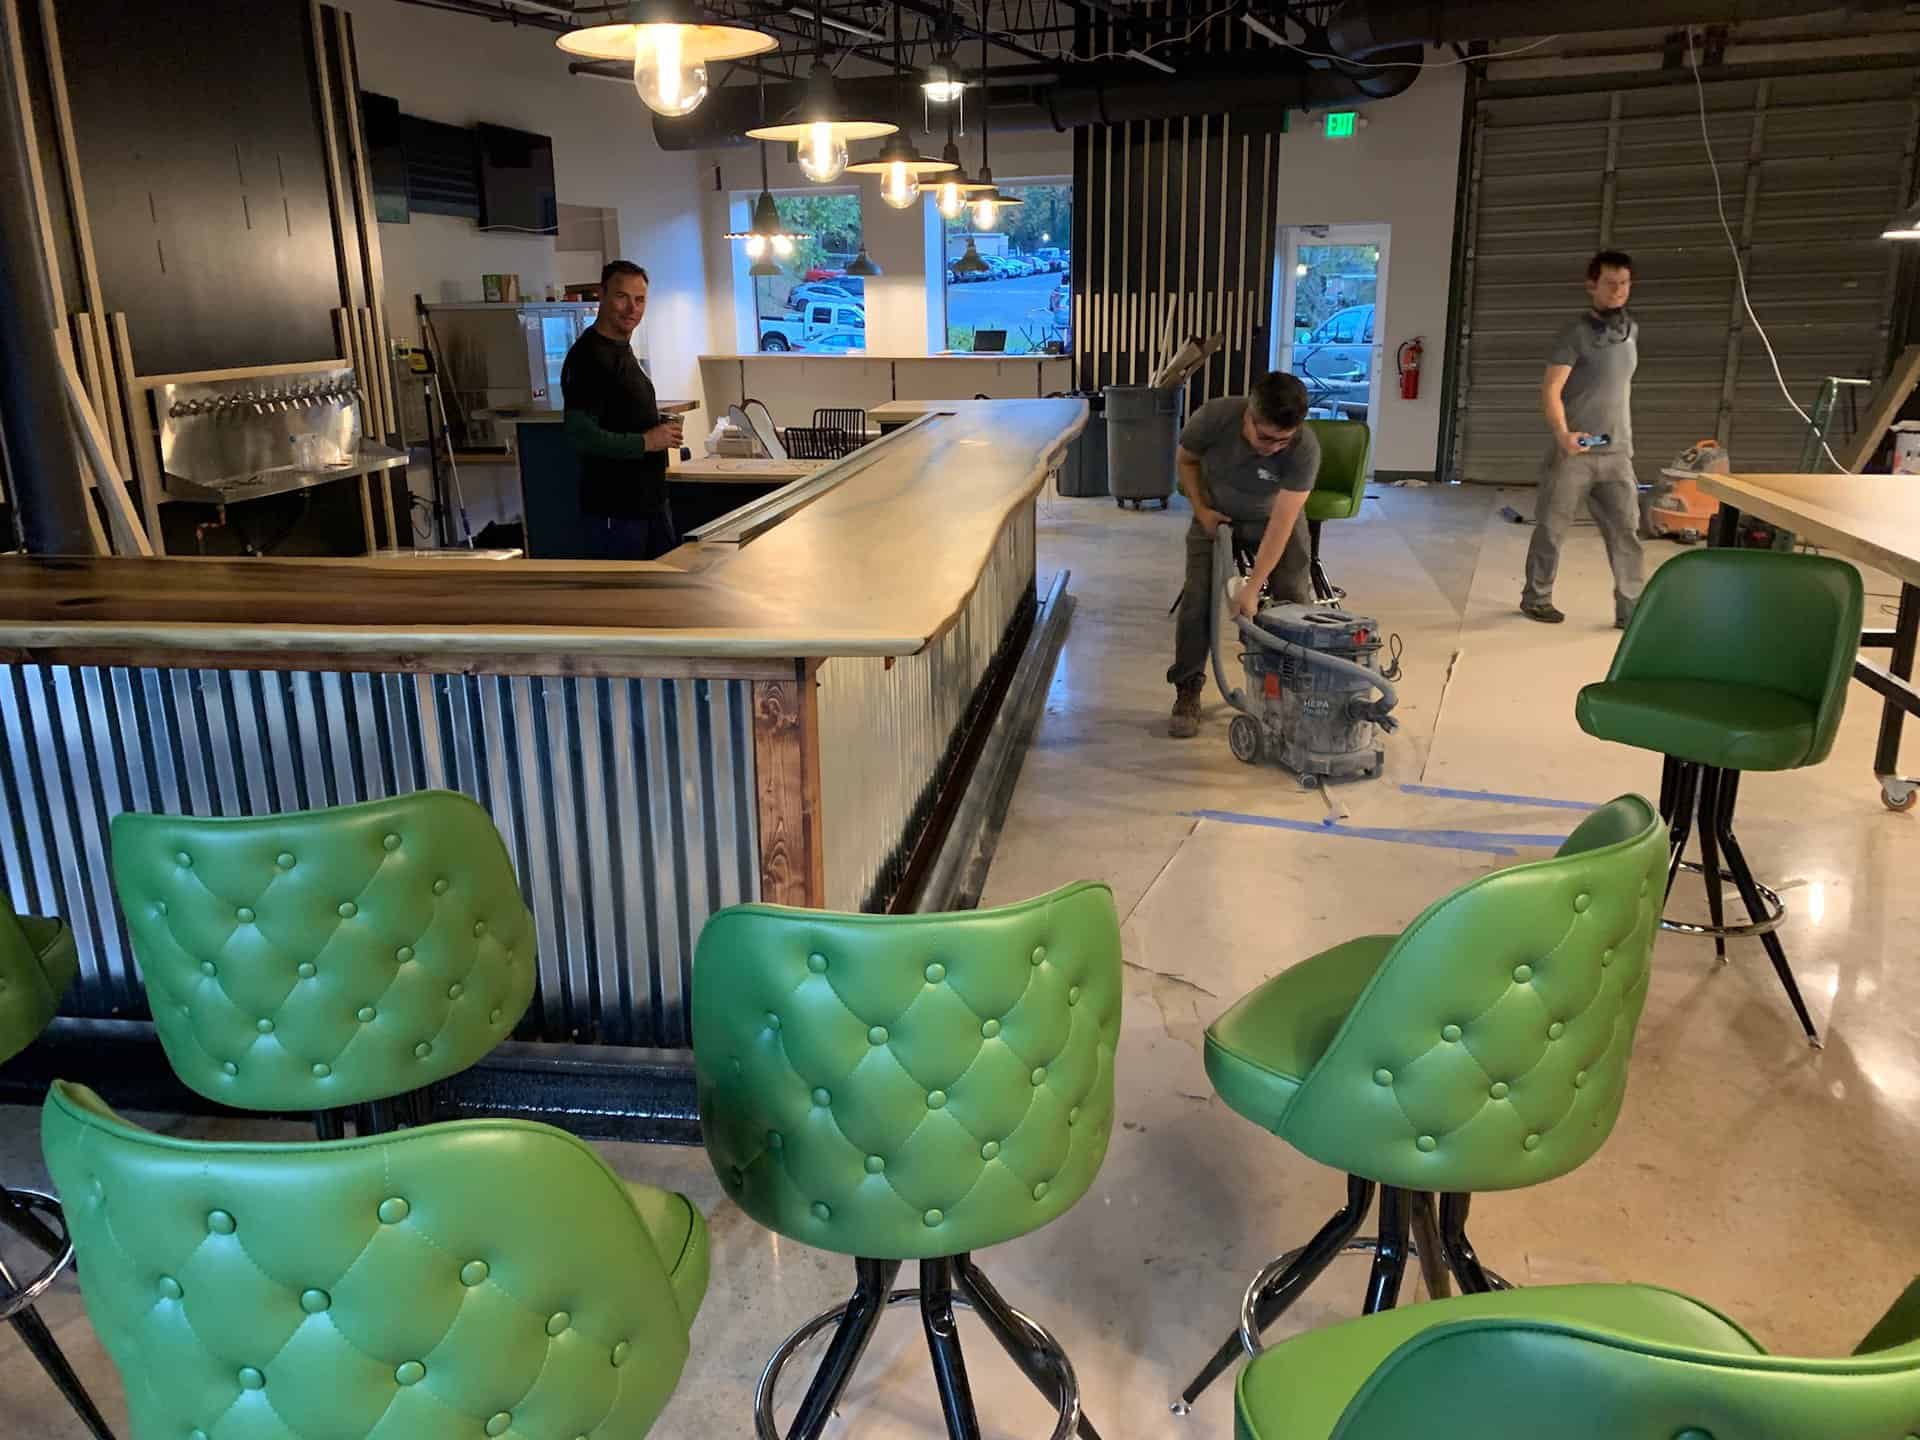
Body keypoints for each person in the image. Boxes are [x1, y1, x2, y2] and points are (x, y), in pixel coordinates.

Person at [1167, 371, 1321, 739]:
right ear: (1247, 415)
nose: (1272, 448)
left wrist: (1253, 586)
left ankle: (1291, 688)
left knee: (1294, 599)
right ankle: (1187, 689)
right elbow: (1186, 461)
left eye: (1282, 441)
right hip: (1216, 516)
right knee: (1197, 602)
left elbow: (1283, 523)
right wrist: (1201, 509)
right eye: (1265, 437)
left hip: (1272, 518)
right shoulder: (1215, 417)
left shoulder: (1304, 448)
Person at [1522, 249, 1645, 628]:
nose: (1618, 291)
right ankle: (1536, 597)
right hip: (1576, 452)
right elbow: (1551, 389)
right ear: (1591, 285)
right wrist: (1562, 435)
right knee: (1552, 528)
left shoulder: (1631, 331)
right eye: (1610, 284)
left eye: (1624, 283)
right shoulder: (1574, 335)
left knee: (1626, 533)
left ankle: (1630, 609)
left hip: (1617, 453)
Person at [560, 261, 683, 560]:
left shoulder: (620, 349)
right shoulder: (588, 357)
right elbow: (580, 435)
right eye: (622, 297)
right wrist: (646, 442)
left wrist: (657, 434)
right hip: (615, 513)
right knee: (625, 601)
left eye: (639, 300)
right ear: (601, 294)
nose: (632, 308)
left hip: (647, 507)